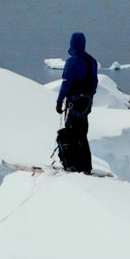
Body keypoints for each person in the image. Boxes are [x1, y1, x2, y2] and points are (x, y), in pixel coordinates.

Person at [54, 31, 98, 173]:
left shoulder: (73, 61)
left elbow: (66, 83)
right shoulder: (91, 61)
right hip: (86, 102)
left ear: (72, 44)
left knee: (72, 132)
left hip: (75, 101)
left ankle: (74, 165)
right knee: (82, 133)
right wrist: (89, 97)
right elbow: (94, 82)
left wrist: (59, 101)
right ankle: (86, 166)